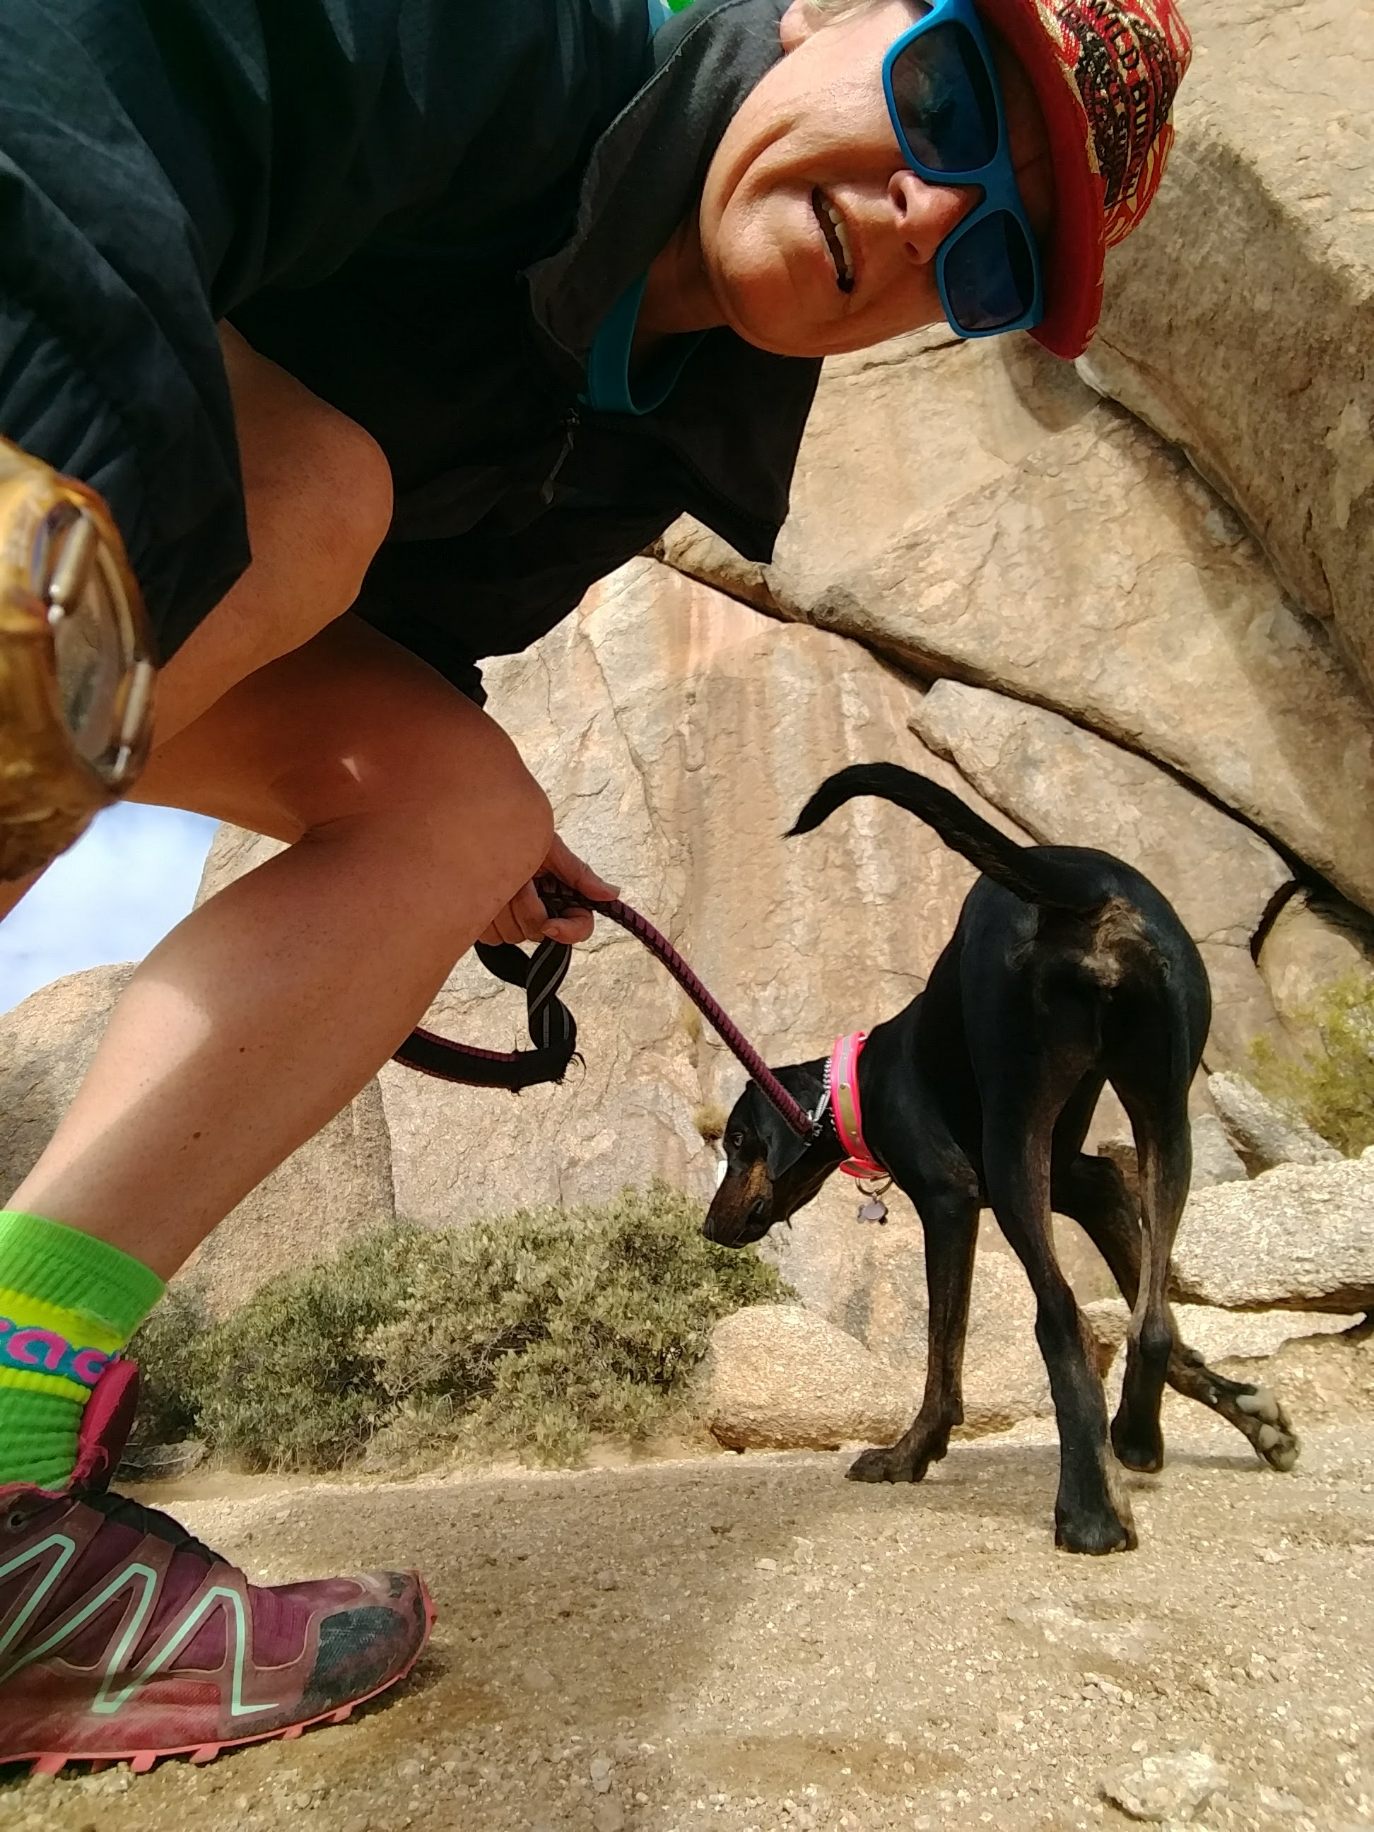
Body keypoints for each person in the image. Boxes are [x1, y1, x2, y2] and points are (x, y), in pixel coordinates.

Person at [0, 0, 1190, 1769]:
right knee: (303, 493)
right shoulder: (521, 41)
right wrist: (56, 515)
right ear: (828, 20)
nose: (937, 216)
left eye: (994, 256)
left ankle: (15, 1458)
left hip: (127, 558)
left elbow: (378, 625)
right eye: (947, 102)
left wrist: (486, 834)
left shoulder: (664, 423)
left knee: (454, 802)